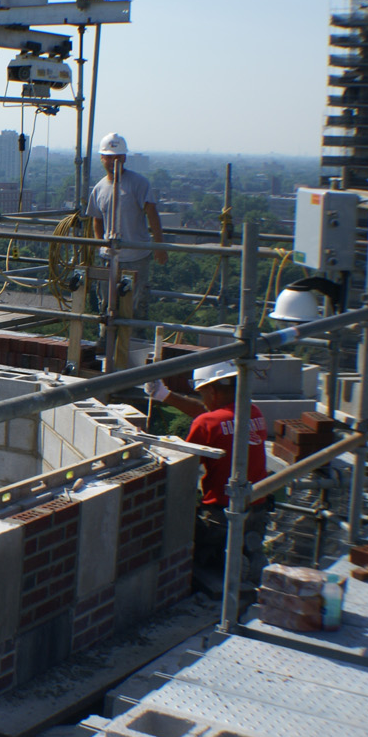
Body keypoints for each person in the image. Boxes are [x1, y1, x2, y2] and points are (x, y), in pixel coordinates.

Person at [147, 361, 269, 586]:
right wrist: (165, 396)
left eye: (203, 394)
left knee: (187, 540)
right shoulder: (253, 411)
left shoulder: (207, 423)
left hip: (221, 515)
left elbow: (184, 465)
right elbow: (212, 414)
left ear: (212, 390)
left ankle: (221, 561)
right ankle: (247, 549)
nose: (202, 399)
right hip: (257, 510)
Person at [83, 132, 166, 319]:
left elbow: (152, 214)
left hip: (135, 256)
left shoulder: (138, 184)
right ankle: (105, 343)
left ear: (125, 157)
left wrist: (159, 246)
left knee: (135, 306)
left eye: (119, 157)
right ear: (102, 158)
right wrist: (100, 246)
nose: (114, 161)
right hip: (109, 257)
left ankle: (134, 345)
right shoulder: (99, 188)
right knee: (106, 306)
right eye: (110, 157)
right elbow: (97, 219)